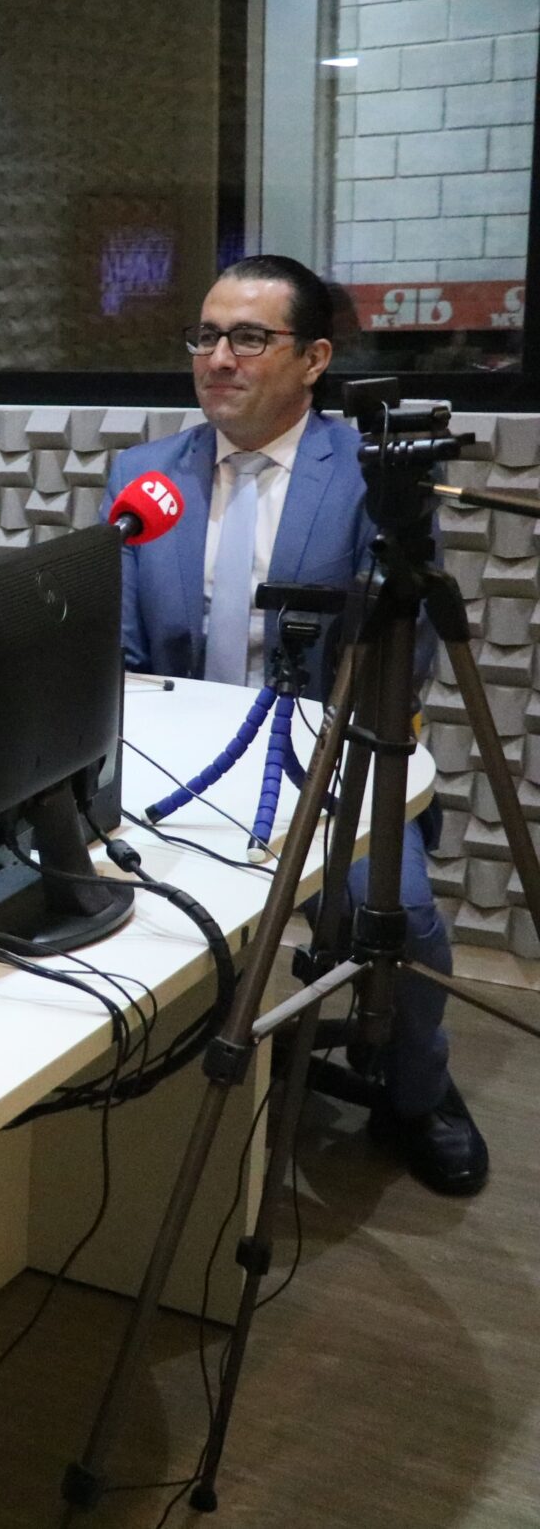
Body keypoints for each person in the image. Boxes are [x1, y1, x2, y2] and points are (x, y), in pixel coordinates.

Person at [105, 253, 485, 1196]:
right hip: (178, 764)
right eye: (205, 335)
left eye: (248, 337)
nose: (218, 358)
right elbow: (115, 647)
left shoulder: (366, 478)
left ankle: (418, 1089)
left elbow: (409, 653)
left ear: (313, 358)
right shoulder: (144, 472)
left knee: (406, 916)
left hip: (330, 762)